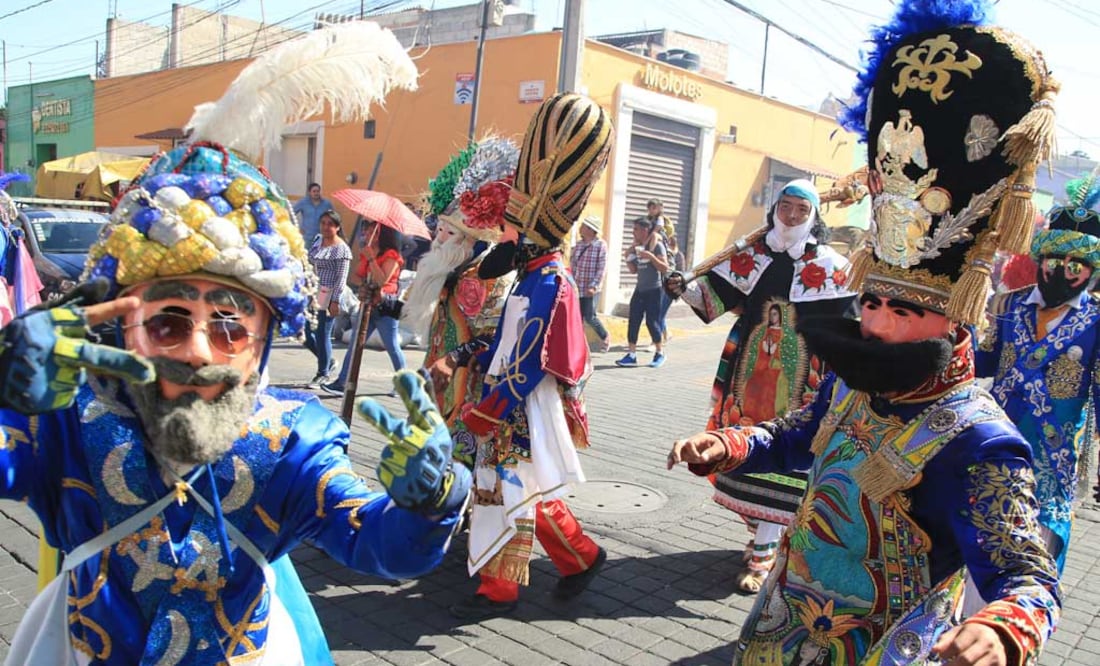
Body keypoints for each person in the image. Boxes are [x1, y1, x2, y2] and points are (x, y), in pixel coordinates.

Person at [0, 21, 471, 664]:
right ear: (125, 329)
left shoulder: (290, 443)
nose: (197, 351)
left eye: (228, 327)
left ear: (262, 342)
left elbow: (381, 546)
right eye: (168, 322)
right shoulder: (67, 424)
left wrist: (431, 502)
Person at [669, 2, 1063, 663]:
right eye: (872, 303)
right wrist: (729, 443)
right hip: (786, 622)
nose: (875, 324)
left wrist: (1002, 626)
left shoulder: (980, 439)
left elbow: (1026, 571)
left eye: (903, 312)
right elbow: (795, 436)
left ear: (958, 314)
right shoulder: (856, 380)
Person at [434, 92, 613, 620]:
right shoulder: (530, 276)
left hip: (520, 406)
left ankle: (507, 584)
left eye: (511, 226)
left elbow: (529, 359)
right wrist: (466, 355)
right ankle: (573, 559)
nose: (502, 234)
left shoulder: (548, 283)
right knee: (516, 490)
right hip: (507, 400)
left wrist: (489, 408)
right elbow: (507, 342)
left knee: (510, 488)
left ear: (531, 232)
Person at [665, 179, 856, 594]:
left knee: (785, 461)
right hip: (748, 373)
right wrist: (684, 289)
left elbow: (850, 321)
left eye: (800, 211)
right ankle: (762, 533)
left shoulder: (832, 266)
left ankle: (765, 551)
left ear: (814, 217)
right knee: (740, 452)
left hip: (800, 381)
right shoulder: (750, 254)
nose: (790, 217)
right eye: (785, 207)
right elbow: (715, 298)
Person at [977, 174, 1100, 576]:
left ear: (1091, 270)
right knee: (976, 537)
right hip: (997, 439)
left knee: (1033, 556)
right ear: (1040, 259)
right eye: (1054, 261)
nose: (1062, 272)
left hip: (1053, 453)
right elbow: (983, 363)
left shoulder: (1097, 320)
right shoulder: (1010, 303)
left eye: (1075, 265)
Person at [402, 137, 518, 461]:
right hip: (437, 384)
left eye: (448, 233)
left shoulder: (483, 275)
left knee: (458, 470)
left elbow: (492, 337)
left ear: (469, 240)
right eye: (438, 229)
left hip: (469, 390)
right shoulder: (446, 271)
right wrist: (383, 306)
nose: (438, 239)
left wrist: (455, 358)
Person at [322, 220, 407, 395]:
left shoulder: (391, 255)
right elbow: (356, 277)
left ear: (382, 235)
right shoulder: (367, 252)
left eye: (372, 233)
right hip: (367, 304)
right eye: (367, 232)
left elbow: (383, 280)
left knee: (391, 346)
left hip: (385, 306)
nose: (368, 236)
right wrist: (363, 283)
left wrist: (371, 259)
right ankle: (342, 383)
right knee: (354, 344)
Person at [302, 209, 351, 387]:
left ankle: (322, 373)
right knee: (305, 333)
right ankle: (328, 361)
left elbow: (342, 278)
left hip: (329, 295)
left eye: (330, 224)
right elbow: (309, 261)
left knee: (323, 334)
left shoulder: (341, 249)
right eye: (323, 223)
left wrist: (335, 301)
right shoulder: (317, 241)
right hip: (312, 292)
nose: (325, 227)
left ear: (337, 227)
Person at [616, 217, 669, 367]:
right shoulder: (637, 247)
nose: (633, 233)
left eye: (636, 229)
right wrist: (628, 257)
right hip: (639, 290)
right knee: (633, 320)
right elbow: (633, 270)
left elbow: (664, 268)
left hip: (654, 290)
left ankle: (659, 353)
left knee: (652, 322)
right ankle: (631, 355)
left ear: (645, 230)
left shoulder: (657, 246)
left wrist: (651, 257)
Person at [570, 214, 611, 352]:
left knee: (590, 316)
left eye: (584, 226)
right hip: (577, 287)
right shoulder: (579, 245)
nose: (581, 228)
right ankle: (578, 344)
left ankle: (605, 336)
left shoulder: (600, 245)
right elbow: (573, 265)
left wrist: (594, 285)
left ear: (591, 230)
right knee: (577, 317)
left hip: (590, 288)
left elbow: (602, 268)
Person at [292, 182, 334, 247]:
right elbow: (291, 214)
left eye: (318, 191)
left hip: (321, 237)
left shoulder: (326, 204)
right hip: (307, 238)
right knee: (306, 256)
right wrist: (296, 228)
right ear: (309, 192)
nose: (316, 193)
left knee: (319, 256)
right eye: (314, 191)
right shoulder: (303, 202)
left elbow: (333, 218)